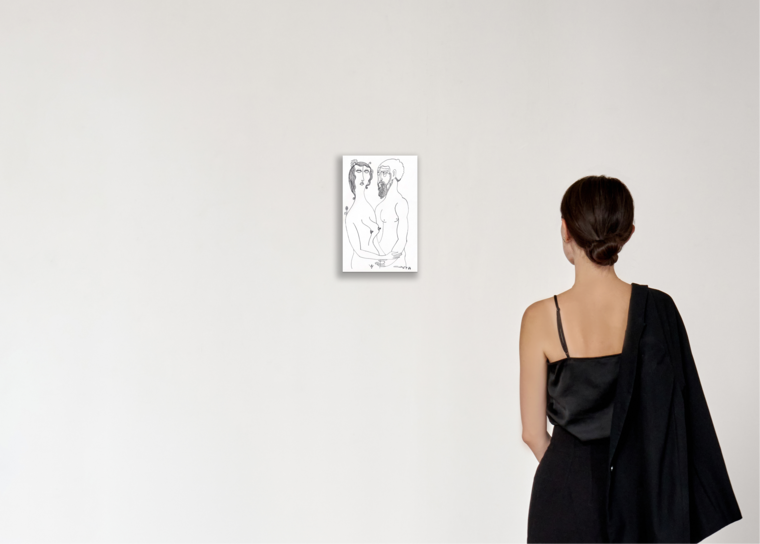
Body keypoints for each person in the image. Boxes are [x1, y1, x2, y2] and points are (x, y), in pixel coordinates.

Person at [519, 176, 740, 543]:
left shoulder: (539, 318)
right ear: (628, 232)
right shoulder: (658, 310)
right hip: (642, 495)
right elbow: (683, 420)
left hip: (563, 493)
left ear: (565, 229)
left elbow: (531, 433)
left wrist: (573, 475)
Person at [344, 159, 400, 270]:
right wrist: (385, 257)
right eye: (359, 171)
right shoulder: (351, 216)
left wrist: (385, 258)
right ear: (352, 177)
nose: (363, 176)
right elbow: (359, 251)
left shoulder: (369, 208)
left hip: (375, 263)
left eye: (366, 171)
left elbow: (374, 241)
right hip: (360, 265)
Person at [372, 158, 409, 268]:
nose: (379, 178)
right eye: (378, 173)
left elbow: (402, 239)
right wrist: (381, 258)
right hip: (380, 261)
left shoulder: (401, 203)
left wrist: (387, 262)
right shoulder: (379, 207)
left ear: (394, 174)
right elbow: (375, 237)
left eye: (384, 173)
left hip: (396, 264)